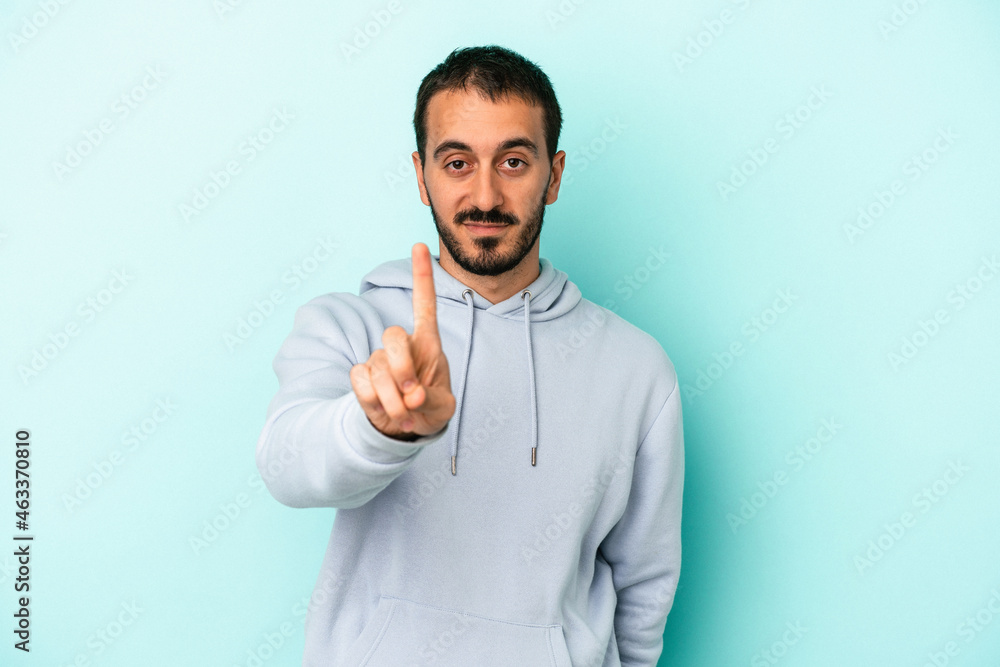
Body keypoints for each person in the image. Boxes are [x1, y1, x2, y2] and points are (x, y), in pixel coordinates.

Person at [255, 44, 685, 667]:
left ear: (555, 175)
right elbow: (286, 466)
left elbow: (644, 582)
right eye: (457, 162)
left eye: (513, 161)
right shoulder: (350, 325)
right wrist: (381, 427)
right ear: (421, 174)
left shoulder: (637, 369)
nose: (485, 194)